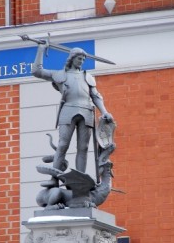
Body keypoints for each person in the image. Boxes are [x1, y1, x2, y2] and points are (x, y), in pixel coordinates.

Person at [32, 42, 113, 175]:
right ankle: (55, 177)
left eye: (83, 59)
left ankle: (80, 177)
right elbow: (37, 71)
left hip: (86, 111)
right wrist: (41, 50)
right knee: (63, 144)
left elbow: (95, 96)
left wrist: (104, 111)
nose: (81, 61)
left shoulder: (87, 76)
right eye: (79, 58)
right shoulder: (59, 74)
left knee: (83, 147)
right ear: (72, 58)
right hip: (68, 110)